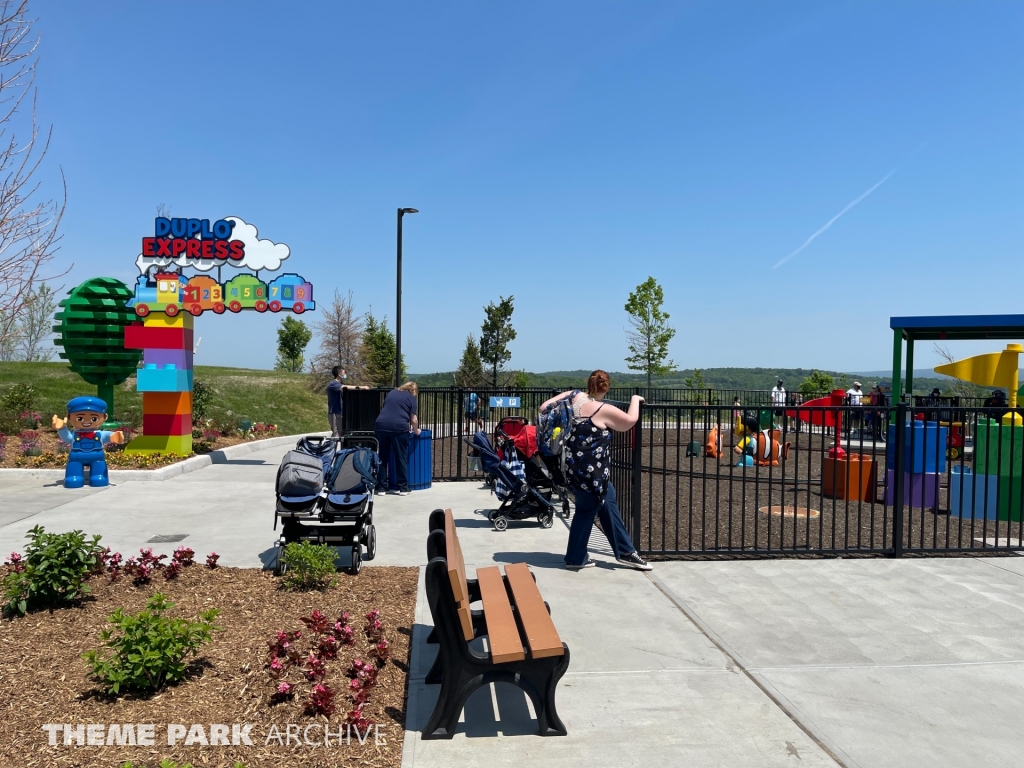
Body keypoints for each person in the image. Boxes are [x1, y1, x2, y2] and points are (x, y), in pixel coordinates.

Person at [541, 370, 651, 571]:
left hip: (572, 467)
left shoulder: (574, 396)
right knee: (586, 509)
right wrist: (635, 399)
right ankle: (575, 557)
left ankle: (626, 551)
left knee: (608, 498)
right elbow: (629, 421)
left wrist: (567, 396)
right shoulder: (603, 409)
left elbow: (544, 407)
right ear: (606, 387)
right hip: (593, 474)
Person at [52, 396, 125, 488]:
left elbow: (109, 436)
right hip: (76, 457)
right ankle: (74, 477)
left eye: (94, 418)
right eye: (80, 418)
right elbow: (67, 438)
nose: (86, 422)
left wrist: (115, 437)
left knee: (99, 472)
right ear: (68, 417)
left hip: (97, 456)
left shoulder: (100, 434)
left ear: (105, 417)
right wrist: (62, 429)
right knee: (74, 473)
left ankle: (99, 476)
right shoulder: (75, 434)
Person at [374, 381, 420, 495]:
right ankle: (403, 488)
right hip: (399, 428)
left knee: (382, 457)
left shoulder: (391, 393)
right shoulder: (411, 398)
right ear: (413, 390)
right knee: (400, 457)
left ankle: (382, 488)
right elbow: (414, 419)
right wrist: (416, 430)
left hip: (380, 426)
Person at [325, 367, 368, 437]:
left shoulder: (339, 383)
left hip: (340, 412)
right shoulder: (333, 384)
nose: (345, 374)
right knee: (336, 434)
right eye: (343, 372)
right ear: (339, 374)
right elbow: (344, 387)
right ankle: (330, 447)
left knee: (340, 434)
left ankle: (337, 447)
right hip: (334, 412)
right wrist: (362, 387)